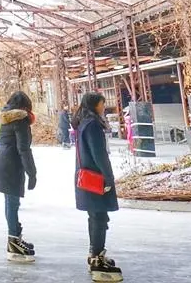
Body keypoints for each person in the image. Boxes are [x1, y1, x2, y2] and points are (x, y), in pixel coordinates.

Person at [73, 92, 122, 282]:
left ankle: (95, 253)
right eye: (102, 103)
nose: (104, 107)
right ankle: (97, 258)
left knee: (95, 216)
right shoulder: (92, 125)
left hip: (86, 175)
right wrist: (108, 178)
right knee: (99, 217)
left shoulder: (83, 123)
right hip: (95, 177)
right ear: (95, 105)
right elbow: (99, 154)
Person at [0, 91, 38, 263]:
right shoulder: (20, 120)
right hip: (12, 161)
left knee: (10, 202)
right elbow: (24, 149)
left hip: (2, 160)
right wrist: (32, 173)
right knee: (12, 203)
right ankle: (13, 244)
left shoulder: (6, 118)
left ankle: (15, 237)